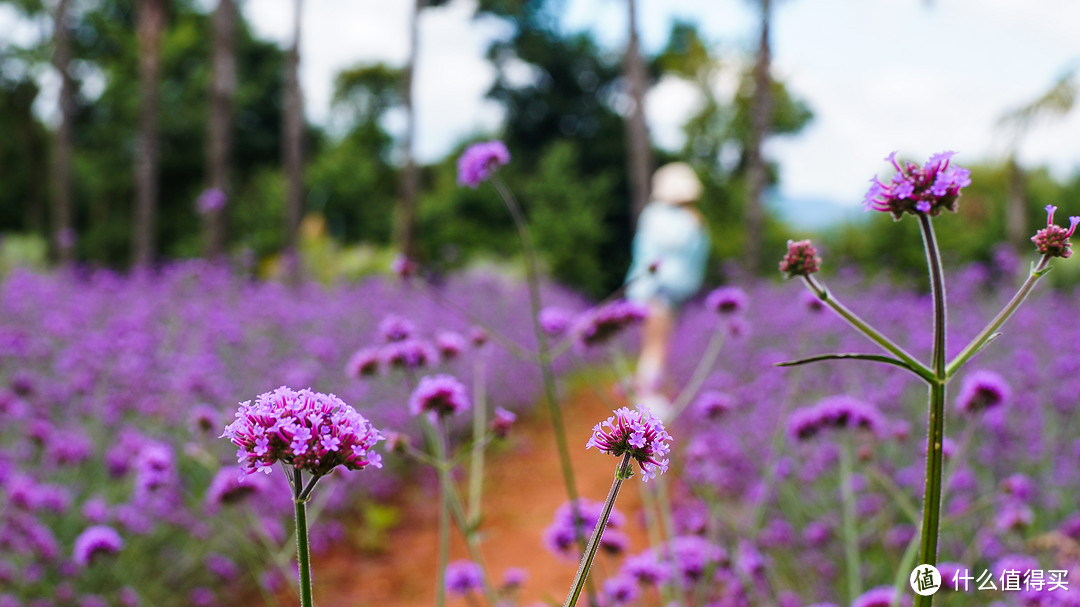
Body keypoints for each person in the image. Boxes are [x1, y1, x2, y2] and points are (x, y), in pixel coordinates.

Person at [624, 162, 710, 420]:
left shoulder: (651, 214)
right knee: (656, 346)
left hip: (645, 289)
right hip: (659, 291)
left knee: (651, 344)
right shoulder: (683, 220)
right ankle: (646, 403)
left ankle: (645, 399)